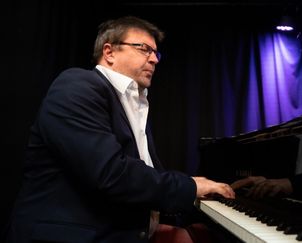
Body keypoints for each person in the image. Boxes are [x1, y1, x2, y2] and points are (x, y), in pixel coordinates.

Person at [4, 16, 235, 243]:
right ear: (109, 52)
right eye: (144, 49)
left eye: (156, 53)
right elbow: (111, 174)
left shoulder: (133, 102)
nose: (154, 59)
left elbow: (140, 175)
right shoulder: (77, 85)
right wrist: (191, 186)